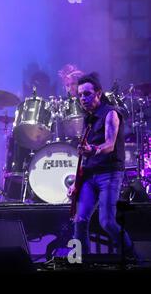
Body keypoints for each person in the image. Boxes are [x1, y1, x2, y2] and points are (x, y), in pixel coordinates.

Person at [69, 72, 135, 257]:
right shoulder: (88, 118)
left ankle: (132, 256)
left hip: (109, 174)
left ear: (98, 93)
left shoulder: (110, 113)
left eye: (87, 94)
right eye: (80, 95)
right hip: (90, 176)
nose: (83, 98)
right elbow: (85, 157)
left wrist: (93, 149)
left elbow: (109, 145)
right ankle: (81, 262)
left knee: (107, 222)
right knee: (79, 220)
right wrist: (76, 183)